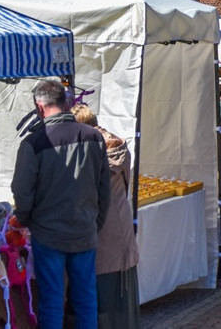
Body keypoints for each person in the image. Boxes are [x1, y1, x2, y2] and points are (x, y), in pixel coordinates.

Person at [11, 80, 110, 329]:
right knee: (85, 300)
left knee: (53, 301)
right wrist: (95, 223)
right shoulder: (94, 137)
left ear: (39, 106)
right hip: (83, 231)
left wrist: (24, 219)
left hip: (49, 235)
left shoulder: (33, 143)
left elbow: (22, 192)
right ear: (66, 103)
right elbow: (104, 189)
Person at [70, 105, 138, 329]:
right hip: (119, 227)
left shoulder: (95, 153)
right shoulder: (113, 145)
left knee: (105, 302)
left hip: (103, 233)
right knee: (118, 299)